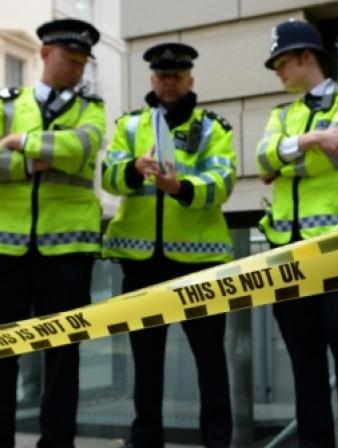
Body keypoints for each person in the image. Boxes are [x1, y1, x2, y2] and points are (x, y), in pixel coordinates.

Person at [0, 18, 105, 448]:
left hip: (66, 252)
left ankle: (58, 443)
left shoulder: (91, 107)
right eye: (70, 58)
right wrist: (34, 161)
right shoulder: (2, 103)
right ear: (44, 54)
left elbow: (82, 148)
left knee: (63, 357)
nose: (77, 69)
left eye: (83, 62)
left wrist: (17, 142)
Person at [102, 42, 236, 448]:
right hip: (142, 262)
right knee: (145, 363)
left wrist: (181, 187)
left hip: (200, 262)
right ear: (152, 80)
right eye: (162, 76)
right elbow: (108, 177)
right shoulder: (128, 126)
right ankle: (145, 440)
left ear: (190, 79)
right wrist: (132, 168)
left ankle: (217, 441)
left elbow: (224, 182)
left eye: (176, 76)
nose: (169, 83)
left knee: (210, 362)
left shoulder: (214, 128)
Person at [256, 19, 338, 448]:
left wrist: (286, 156)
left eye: (282, 61)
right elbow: (261, 159)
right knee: (304, 367)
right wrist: (312, 139)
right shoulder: (281, 113)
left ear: (308, 57)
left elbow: (333, 148)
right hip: (288, 256)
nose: (277, 71)